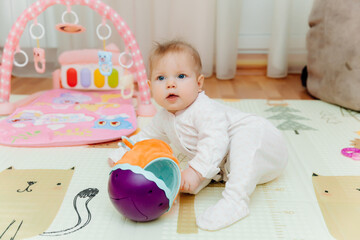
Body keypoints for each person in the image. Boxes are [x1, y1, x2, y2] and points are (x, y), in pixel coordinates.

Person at [108, 40, 288, 231]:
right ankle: (206, 176)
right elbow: (147, 136)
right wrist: (124, 156)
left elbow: (215, 141)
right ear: (150, 86)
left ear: (199, 83)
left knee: (240, 144)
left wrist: (195, 172)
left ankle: (236, 201)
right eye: (161, 78)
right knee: (196, 177)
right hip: (227, 164)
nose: (170, 84)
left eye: (181, 76)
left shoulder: (204, 110)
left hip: (262, 141)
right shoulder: (163, 117)